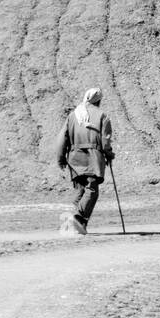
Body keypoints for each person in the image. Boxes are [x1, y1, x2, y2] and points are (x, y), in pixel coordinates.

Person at [56, 87, 115, 234]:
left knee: (81, 190)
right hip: (92, 158)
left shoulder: (73, 115)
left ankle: (72, 226)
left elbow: (62, 139)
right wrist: (109, 155)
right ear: (98, 101)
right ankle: (78, 218)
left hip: (75, 158)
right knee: (92, 190)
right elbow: (105, 142)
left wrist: (61, 158)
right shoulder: (102, 116)